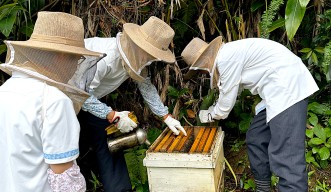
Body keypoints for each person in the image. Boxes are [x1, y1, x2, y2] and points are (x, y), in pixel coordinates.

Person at [181, 37, 319, 192]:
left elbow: (225, 106)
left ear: (205, 61)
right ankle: (263, 188)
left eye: (200, 69)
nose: (202, 72)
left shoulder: (226, 59)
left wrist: (208, 115)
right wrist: (214, 108)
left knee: (287, 158)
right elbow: (233, 91)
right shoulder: (230, 55)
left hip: (288, 91)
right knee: (256, 137)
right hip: (275, 93)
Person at [78, 16, 187, 192]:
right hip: (60, 100)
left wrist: (166, 116)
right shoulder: (104, 58)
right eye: (150, 54)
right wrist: (113, 115)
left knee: (107, 140)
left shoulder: (138, 58)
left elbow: (146, 86)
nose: (151, 59)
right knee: (69, 149)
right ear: (139, 46)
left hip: (87, 100)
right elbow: (80, 94)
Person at [0, 11, 104, 192]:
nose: (77, 67)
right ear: (63, 56)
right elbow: (63, 176)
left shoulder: (5, 91)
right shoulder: (54, 101)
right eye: (78, 59)